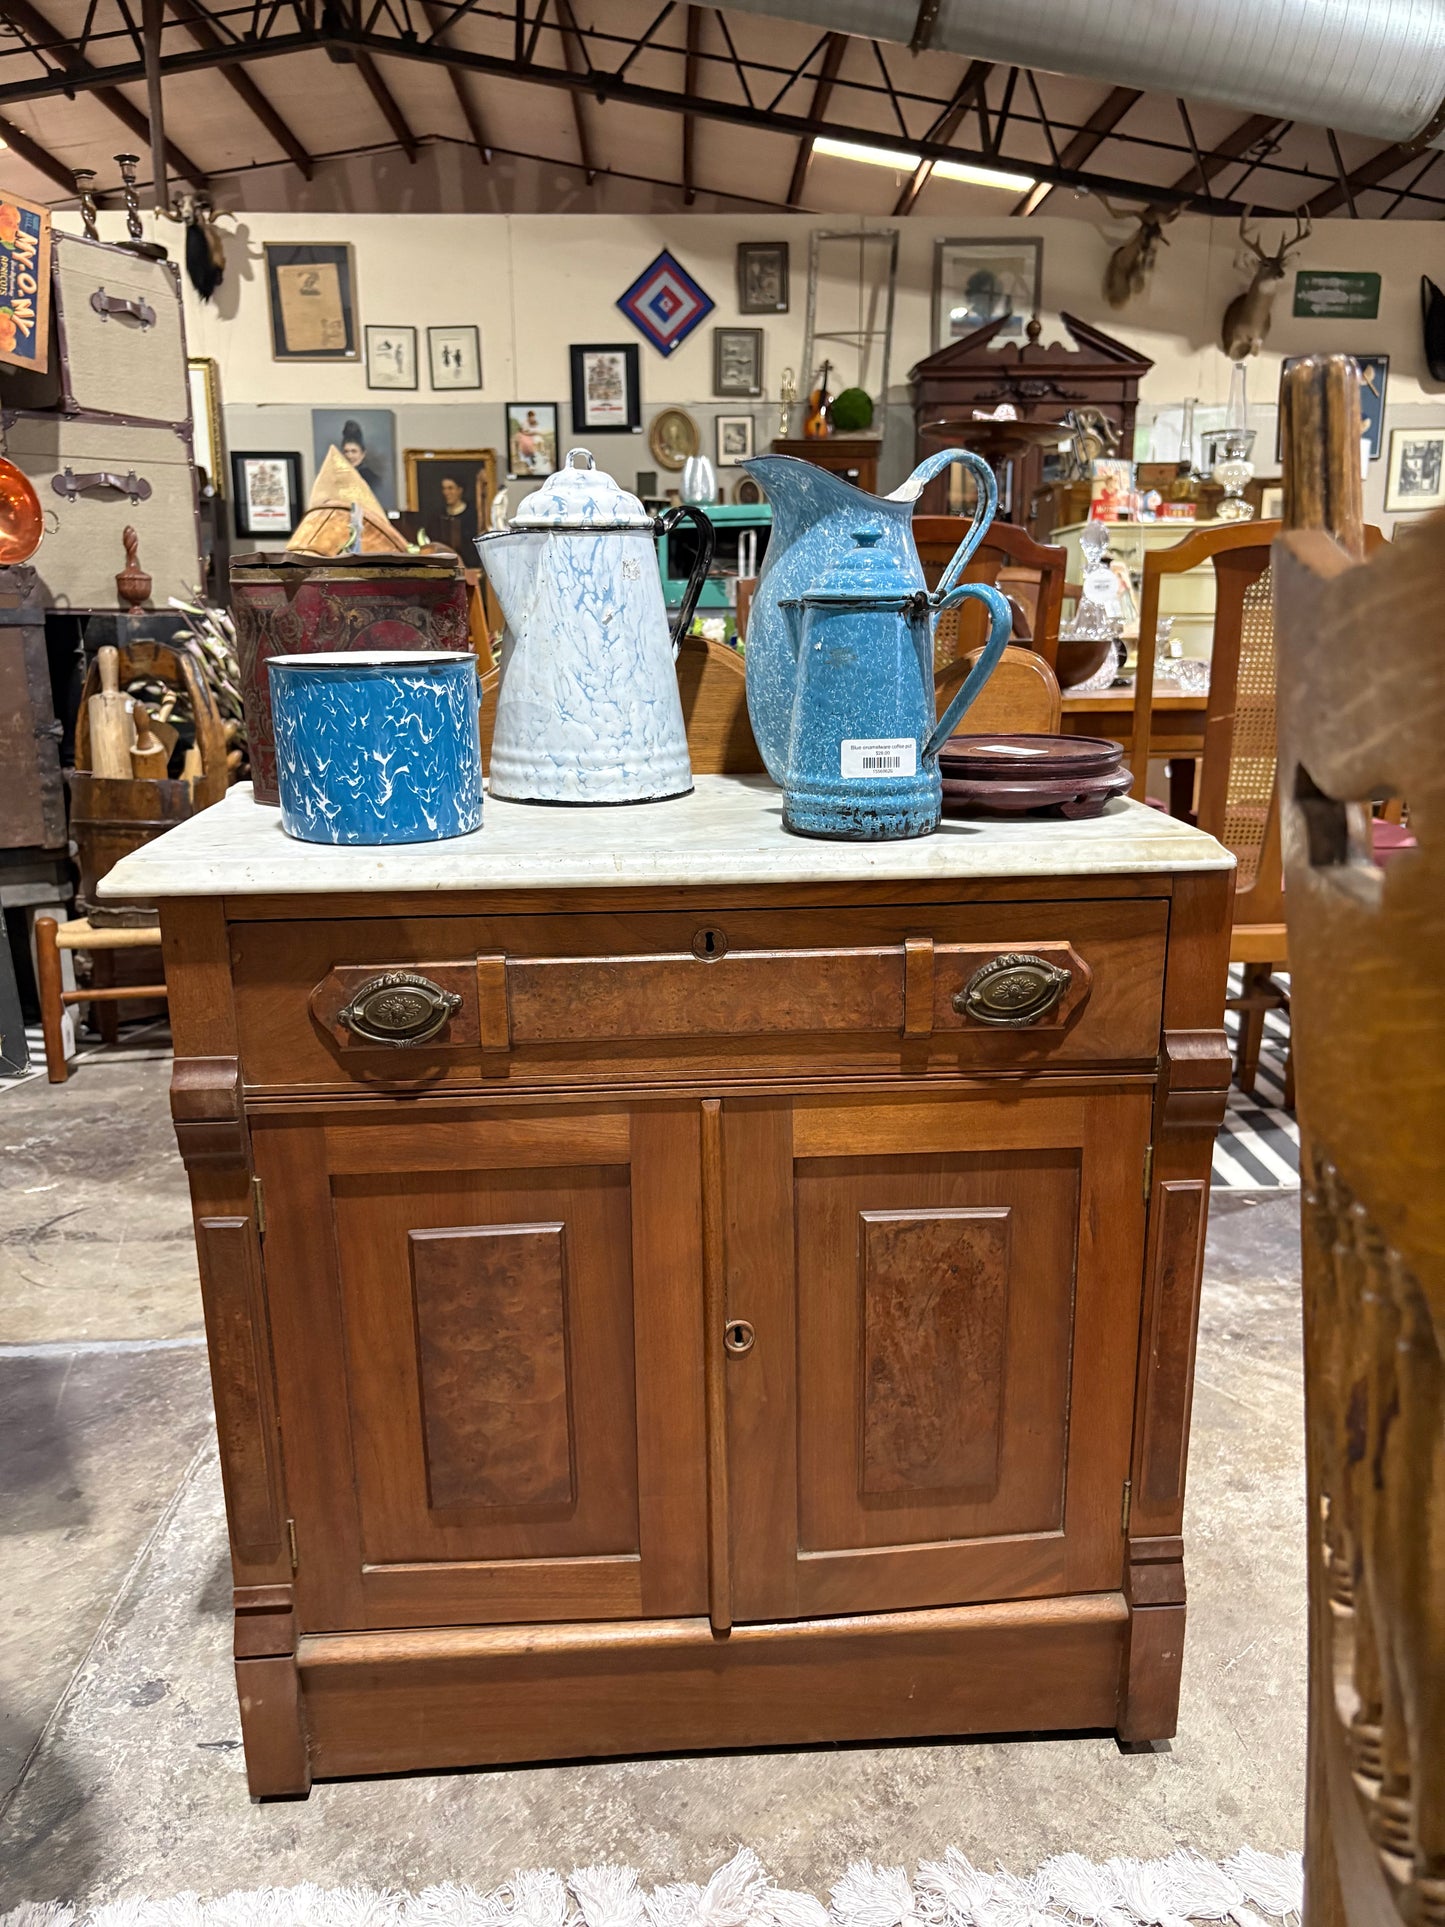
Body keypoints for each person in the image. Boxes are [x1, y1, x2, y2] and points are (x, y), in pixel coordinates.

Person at [430, 472, 478, 553]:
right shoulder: (438, 514)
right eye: (444, 488)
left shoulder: (472, 513)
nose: (446, 492)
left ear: (460, 490)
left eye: (450, 488)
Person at [339, 420, 382, 494]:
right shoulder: (338, 476)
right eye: (346, 451)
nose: (349, 456)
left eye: (354, 451)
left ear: (363, 454)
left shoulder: (373, 479)